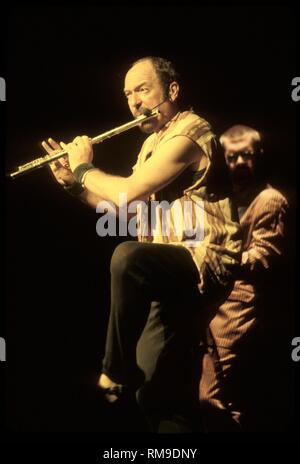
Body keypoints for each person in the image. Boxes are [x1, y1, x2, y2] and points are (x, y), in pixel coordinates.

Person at [41, 57, 241, 430]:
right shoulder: (150, 144)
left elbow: (127, 191)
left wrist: (85, 168)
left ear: (172, 91)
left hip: (202, 258)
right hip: (164, 272)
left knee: (127, 257)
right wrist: (73, 185)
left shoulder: (191, 130)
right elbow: (128, 213)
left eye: (142, 89)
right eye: (128, 94)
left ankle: (114, 369)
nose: (134, 102)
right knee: (156, 395)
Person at [199, 124, 291, 432]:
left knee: (214, 400)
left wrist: (217, 256)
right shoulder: (221, 199)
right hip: (210, 309)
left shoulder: (269, 200)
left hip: (238, 312)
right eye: (232, 157)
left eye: (246, 156)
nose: (239, 163)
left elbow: (264, 254)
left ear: (258, 157)